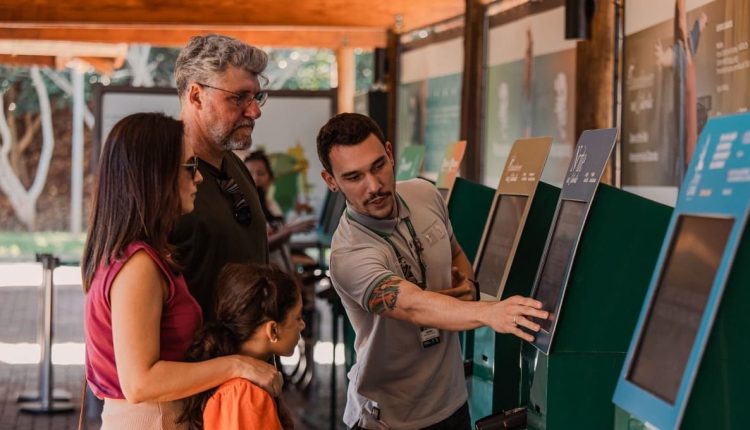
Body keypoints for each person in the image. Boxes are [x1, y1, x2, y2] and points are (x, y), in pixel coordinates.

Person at [316, 113, 548, 429]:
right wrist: (489, 312)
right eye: (354, 177)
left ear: (389, 153)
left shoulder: (424, 194)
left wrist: (466, 286)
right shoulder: (349, 255)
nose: (374, 186)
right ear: (331, 181)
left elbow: (452, 250)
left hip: (452, 403)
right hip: (392, 418)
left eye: (378, 166)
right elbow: (411, 304)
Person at [82, 113, 281, 429]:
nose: (199, 178)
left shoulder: (143, 255)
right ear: (155, 176)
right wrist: (237, 366)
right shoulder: (139, 267)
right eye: (190, 168)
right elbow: (141, 382)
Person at [170, 34, 270, 322]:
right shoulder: (159, 175)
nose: (255, 111)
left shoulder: (235, 167)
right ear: (196, 96)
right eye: (239, 97)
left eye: (257, 96)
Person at [179, 263, 304, 430]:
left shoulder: (242, 385)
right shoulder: (245, 394)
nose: (302, 325)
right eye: (298, 317)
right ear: (273, 330)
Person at [244, 150, 316, 274]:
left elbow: (279, 235)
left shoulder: (272, 205)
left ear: (270, 178)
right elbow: (261, 245)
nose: (255, 178)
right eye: (249, 173)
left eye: (261, 173)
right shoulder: (244, 209)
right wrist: (290, 230)